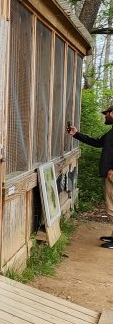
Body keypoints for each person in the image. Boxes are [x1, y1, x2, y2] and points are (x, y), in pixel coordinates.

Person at [67, 105, 113, 247]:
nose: (105, 116)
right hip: (109, 173)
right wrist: (76, 134)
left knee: (112, 207)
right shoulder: (111, 132)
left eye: (107, 114)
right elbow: (98, 143)